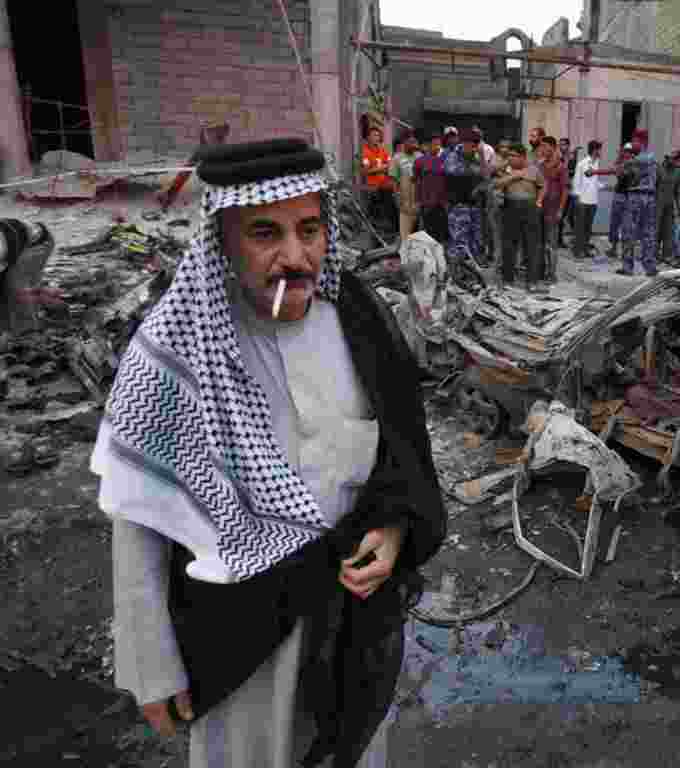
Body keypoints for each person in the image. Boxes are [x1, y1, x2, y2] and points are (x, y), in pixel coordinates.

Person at [94, 138, 446, 768]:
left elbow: (403, 454)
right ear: (223, 241)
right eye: (265, 233)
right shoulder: (175, 350)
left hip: (354, 610)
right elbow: (140, 518)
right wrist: (151, 666)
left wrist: (394, 528)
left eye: (310, 230)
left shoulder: (358, 318)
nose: (295, 256)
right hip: (242, 635)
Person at [494, 143, 544, 292]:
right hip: (510, 207)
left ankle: (532, 281)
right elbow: (496, 184)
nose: (510, 158)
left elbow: (542, 185)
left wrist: (539, 201)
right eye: (509, 156)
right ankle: (508, 279)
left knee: (531, 245)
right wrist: (514, 176)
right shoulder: (505, 170)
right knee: (509, 245)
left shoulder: (534, 170)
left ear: (522, 157)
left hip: (530, 209)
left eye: (513, 156)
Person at [616, 129, 659, 277]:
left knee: (629, 232)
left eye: (634, 141)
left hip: (636, 196)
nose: (632, 144)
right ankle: (650, 266)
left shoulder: (640, 158)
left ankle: (628, 266)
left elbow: (619, 170)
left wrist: (595, 172)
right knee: (649, 233)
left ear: (641, 141)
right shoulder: (651, 157)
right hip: (650, 197)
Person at [444, 128, 489, 267]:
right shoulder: (453, 156)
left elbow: (485, 176)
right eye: (473, 145)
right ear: (464, 143)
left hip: (473, 207)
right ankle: (455, 276)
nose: (475, 148)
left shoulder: (475, 157)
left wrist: (481, 157)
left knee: (474, 243)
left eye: (477, 145)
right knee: (458, 243)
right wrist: (478, 172)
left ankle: (470, 274)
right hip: (458, 207)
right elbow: (455, 172)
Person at [537, 135, 569, 281]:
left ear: (552, 147)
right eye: (541, 146)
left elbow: (565, 190)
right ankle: (542, 270)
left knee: (552, 244)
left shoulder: (561, 167)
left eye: (545, 146)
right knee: (541, 243)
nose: (542, 149)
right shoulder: (541, 165)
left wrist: (561, 210)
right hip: (540, 209)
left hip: (553, 209)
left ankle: (552, 273)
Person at [572, 140, 604, 264]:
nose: (601, 152)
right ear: (594, 150)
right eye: (599, 149)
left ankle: (584, 249)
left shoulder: (597, 163)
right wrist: (578, 198)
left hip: (593, 200)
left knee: (588, 228)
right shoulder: (582, 164)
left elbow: (594, 181)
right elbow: (576, 182)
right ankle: (577, 251)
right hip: (583, 201)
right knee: (580, 227)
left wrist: (603, 186)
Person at [361, 126, 396, 233]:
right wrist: (382, 168)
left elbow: (390, 164)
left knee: (391, 203)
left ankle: (392, 228)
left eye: (378, 135)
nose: (377, 138)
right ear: (368, 137)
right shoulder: (365, 151)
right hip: (373, 186)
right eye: (374, 135)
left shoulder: (382, 150)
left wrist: (380, 168)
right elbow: (366, 171)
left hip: (384, 184)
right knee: (378, 208)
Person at [415, 134, 449, 244]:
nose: (437, 147)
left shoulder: (444, 161)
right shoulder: (420, 161)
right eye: (435, 144)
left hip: (441, 203)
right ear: (428, 146)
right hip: (427, 203)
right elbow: (417, 181)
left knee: (442, 233)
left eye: (439, 144)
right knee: (428, 232)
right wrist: (418, 200)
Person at [389, 129, 421, 244]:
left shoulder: (420, 157)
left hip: (418, 202)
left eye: (414, 141)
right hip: (405, 203)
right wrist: (396, 197)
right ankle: (406, 258)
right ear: (404, 142)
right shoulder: (397, 158)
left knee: (419, 235)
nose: (413, 144)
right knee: (405, 235)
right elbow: (393, 180)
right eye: (410, 141)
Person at [655, 150, 680, 264]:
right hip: (658, 203)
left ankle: (666, 255)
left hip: (670, 204)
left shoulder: (679, 171)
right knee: (656, 230)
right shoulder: (659, 169)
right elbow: (653, 186)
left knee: (668, 230)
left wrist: (678, 206)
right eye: (668, 158)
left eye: (673, 159)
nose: (669, 160)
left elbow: (678, 190)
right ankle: (654, 254)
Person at [558, 138, 577, 249]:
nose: (561, 147)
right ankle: (559, 240)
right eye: (560, 145)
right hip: (561, 191)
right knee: (561, 216)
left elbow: (571, 172)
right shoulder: (559, 158)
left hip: (571, 192)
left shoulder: (572, 159)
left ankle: (576, 240)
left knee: (571, 217)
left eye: (564, 145)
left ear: (568, 146)